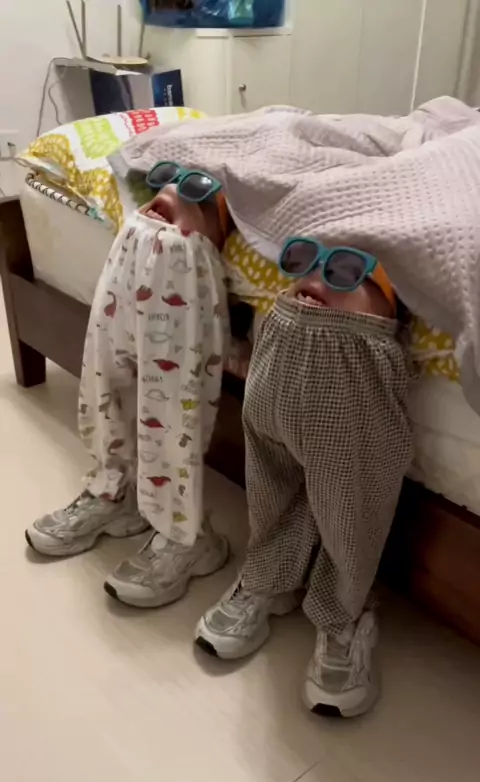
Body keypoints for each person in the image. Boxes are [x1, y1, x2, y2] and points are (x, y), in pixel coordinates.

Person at [195, 238, 413, 718]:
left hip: (353, 362)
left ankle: (343, 613)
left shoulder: (370, 342)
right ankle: (268, 576)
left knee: (350, 505)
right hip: (281, 351)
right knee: (269, 483)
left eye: (345, 271)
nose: (314, 275)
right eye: (304, 262)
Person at [26, 162, 233, 607]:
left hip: (183, 254)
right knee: (104, 375)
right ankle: (116, 487)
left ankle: (188, 535)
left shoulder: (191, 242)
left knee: (172, 408)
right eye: (166, 179)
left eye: (195, 190)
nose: (173, 189)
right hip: (134, 243)